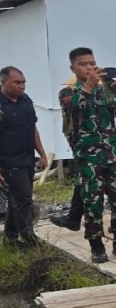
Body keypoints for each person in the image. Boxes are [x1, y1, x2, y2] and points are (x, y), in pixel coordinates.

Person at [67, 47, 116, 263]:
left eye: (92, 63)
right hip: (88, 158)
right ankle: (97, 246)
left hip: (113, 154)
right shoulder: (69, 91)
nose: (89, 67)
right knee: (93, 203)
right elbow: (73, 109)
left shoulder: (105, 89)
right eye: (83, 64)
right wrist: (88, 84)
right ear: (73, 68)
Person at [0, 66, 48, 249]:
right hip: (9, 162)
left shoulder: (25, 101)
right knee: (24, 199)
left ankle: (10, 239)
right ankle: (28, 237)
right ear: (4, 83)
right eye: (17, 82)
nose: (22, 86)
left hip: (27, 158)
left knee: (17, 199)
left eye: (23, 82)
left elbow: (32, 129)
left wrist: (41, 153)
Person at [49, 75, 85, 232]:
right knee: (83, 181)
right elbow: (71, 107)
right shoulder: (67, 93)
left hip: (107, 146)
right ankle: (74, 218)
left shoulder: (103, 93)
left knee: (113, 183)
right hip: (83, 145)